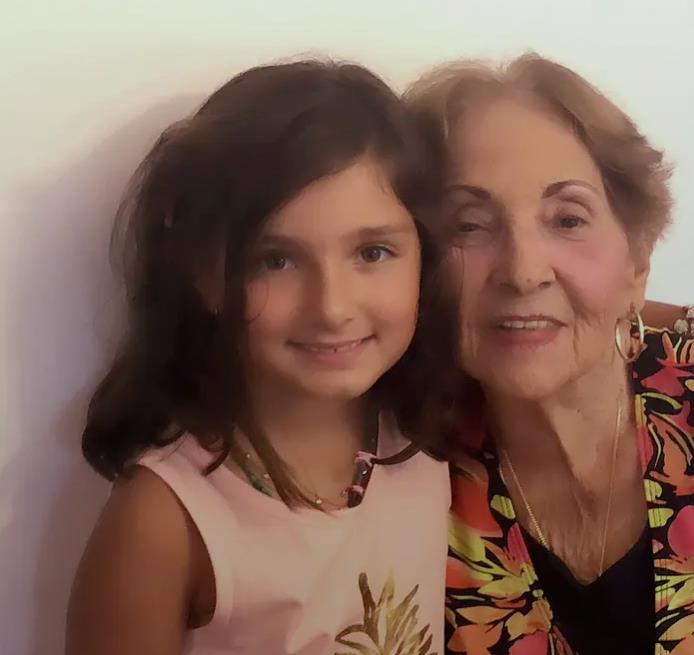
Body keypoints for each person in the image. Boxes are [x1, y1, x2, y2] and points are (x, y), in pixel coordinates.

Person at [404, 54, 694, 655]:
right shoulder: (405, 464)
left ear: (637, 261)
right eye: (468, 225)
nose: (521, 271)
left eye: (567, 219)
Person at [66, 60, 457, 655]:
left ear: (423, 257)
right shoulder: (163, 522)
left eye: (372, 252)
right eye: (276, 259)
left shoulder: (427, 431)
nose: (332, 306)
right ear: (206, 273)